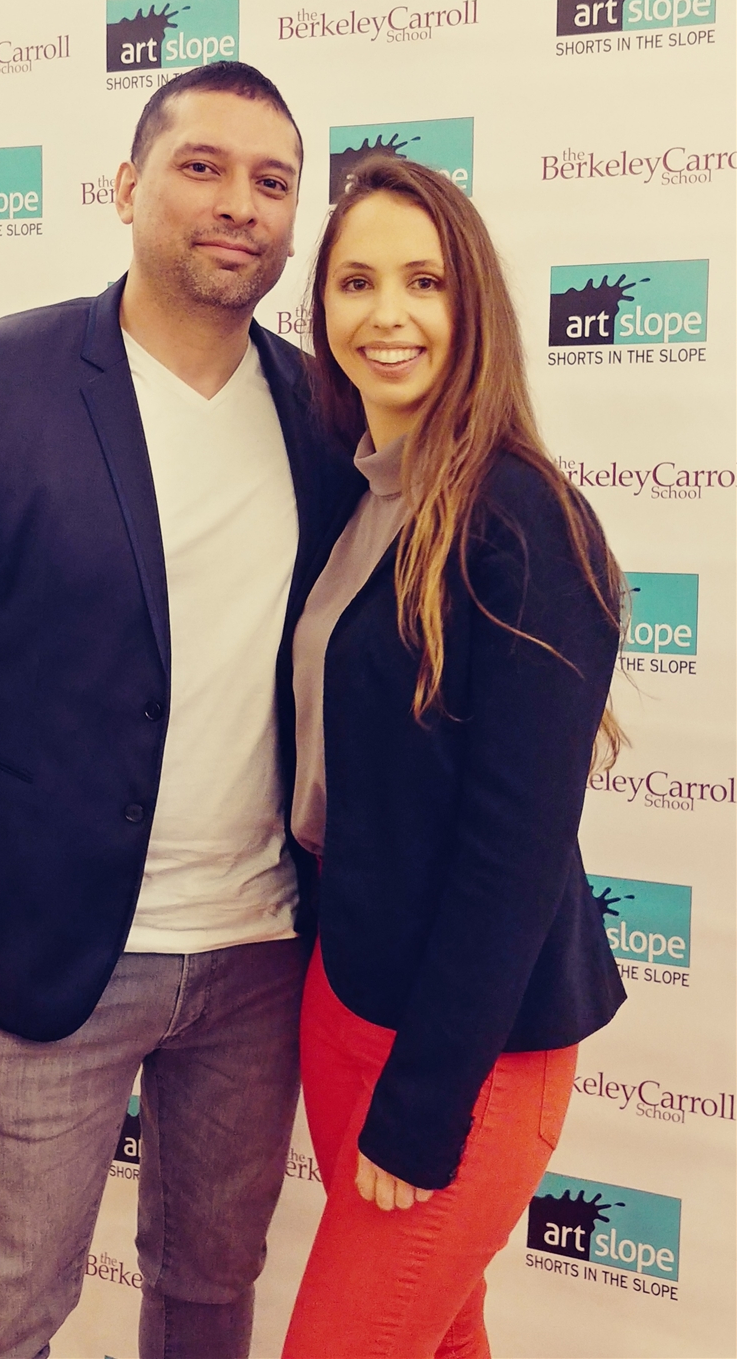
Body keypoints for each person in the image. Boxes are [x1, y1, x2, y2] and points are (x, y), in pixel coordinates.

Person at [0, 62, 357, 1359]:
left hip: (262, 954)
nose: (239, 203)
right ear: (127, 185)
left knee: (210, 1297)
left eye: (272, 181)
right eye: (202, 167)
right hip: (38, 957)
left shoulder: (324, 411)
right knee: (0, 1318)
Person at [280, 156, 627, 1359]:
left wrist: (427, 1103)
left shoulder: (525, 520)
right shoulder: (358, 497)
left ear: (470, 302)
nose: (388, 313)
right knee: (435, 1336)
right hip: (345, 996)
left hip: (471, 1050)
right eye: (356, 281)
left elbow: (512, 857)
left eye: (424, 281)